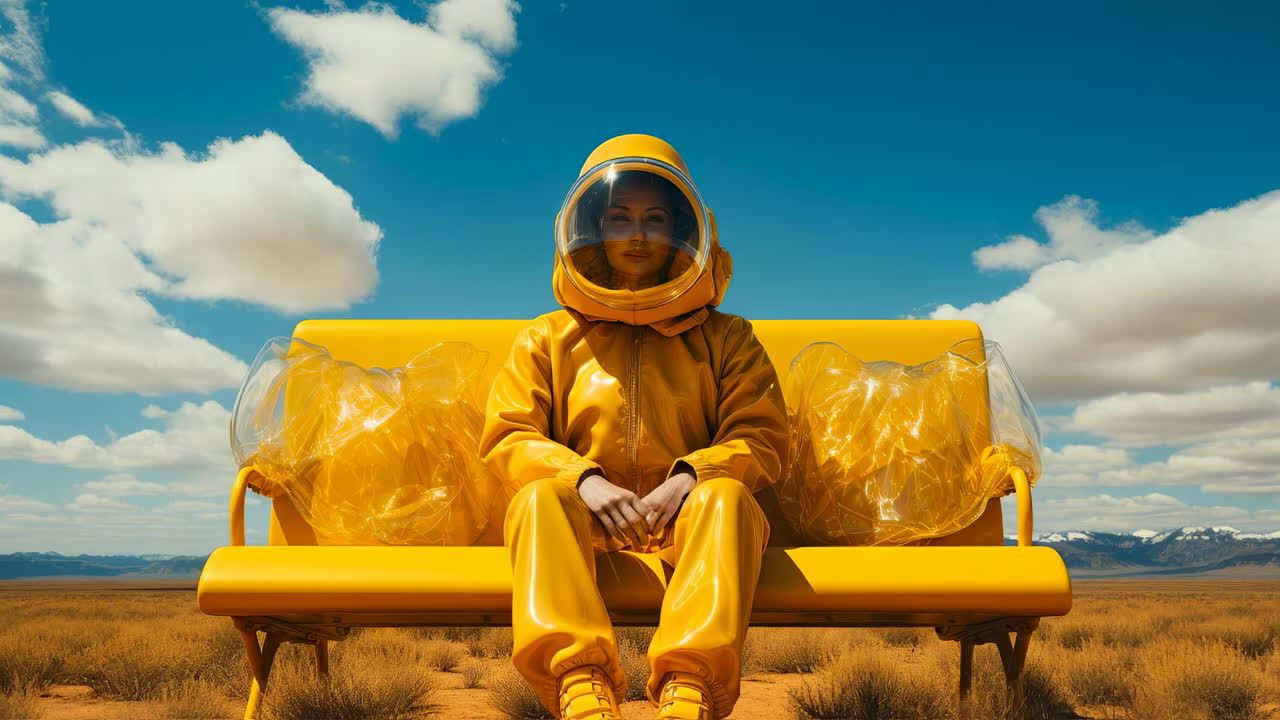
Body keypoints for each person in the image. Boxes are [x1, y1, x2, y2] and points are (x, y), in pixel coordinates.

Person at [481, 134, 787, 720]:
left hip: (690, 532)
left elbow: (762, 436)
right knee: (541, 496)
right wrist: (584, 482)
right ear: (590, 228)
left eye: (656, 218)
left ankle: (690, 691)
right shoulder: (546, 336)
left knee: (725, 497)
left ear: (686, 230)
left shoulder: (728, 337)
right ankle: (581, 687)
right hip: (581, 536)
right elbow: (509, 435)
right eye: (620, 218)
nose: (639, 234)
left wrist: (692, 478)